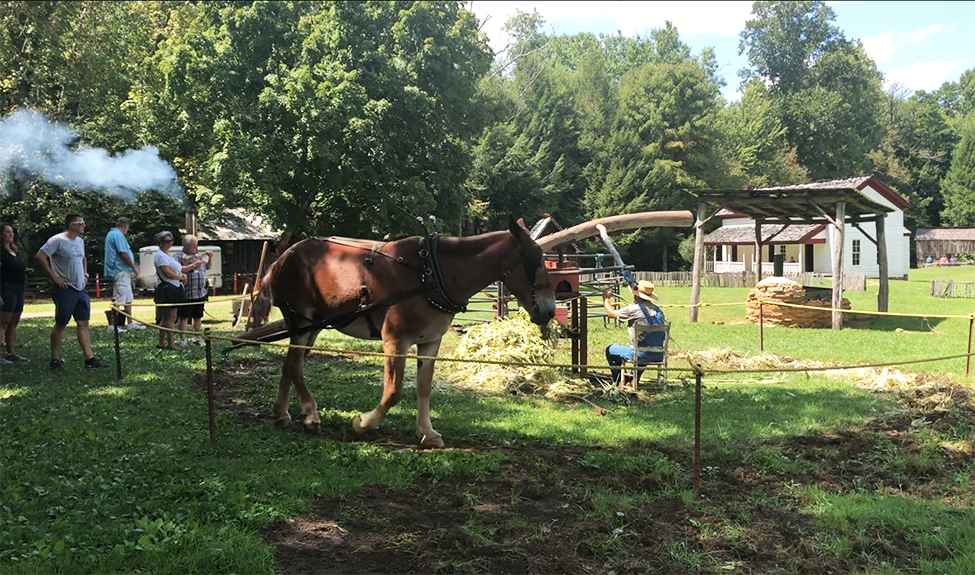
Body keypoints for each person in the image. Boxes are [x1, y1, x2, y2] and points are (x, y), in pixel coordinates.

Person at [35, 214, 104, 370]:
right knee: (61, 324)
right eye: (81, 223)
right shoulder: (57, 240)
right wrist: (55, 277)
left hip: (80, 288)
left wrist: (85, 274)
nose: (83, 226)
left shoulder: (80, 241)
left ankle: (89, 359)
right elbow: (40, 256)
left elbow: (83, 258)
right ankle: (55, 360)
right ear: (72, 225)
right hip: (65, 289)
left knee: (83, 323)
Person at [602, 280, 666, 386]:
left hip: (640, 354)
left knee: (610, 350)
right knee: (645, 351)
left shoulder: (634, 309)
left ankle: (618, 380)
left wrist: (606, 298)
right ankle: (632, 379)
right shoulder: (659, 311)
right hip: (658, 354)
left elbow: (611, 313)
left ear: (636, 295)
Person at [103, 217, 145, 333]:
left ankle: (130, 323)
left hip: (123, 271)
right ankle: (112, 326)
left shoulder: (114, 234)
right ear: (126, 226)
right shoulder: (117, 235)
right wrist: (134, 268)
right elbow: (124, 253)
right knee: (119, 298)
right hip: (119, 270)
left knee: (128, 298)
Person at [0, 222, 32, 364]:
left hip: (19, 288)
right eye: (7, 232)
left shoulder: (14, 250)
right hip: (6, 288)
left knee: (14, 321)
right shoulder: (1, 252)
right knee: (3, 322)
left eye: (12, 232)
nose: (11, 234)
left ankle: (10, 352)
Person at [174, 234, 211, 347]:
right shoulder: (178, 256)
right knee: (184, 317)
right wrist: (193, 265)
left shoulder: (198, 256)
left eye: (196, 245)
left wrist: (210, 258)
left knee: (198, 316)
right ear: (185, 245)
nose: (195, 248)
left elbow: (207, 267)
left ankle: (197, 337)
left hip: (199, 292)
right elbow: (177, 270)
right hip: (186, 292)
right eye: (192, 245)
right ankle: (183, 340)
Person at [153, 231, 187, 351]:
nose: (169, 243)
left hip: (174, 287)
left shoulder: (167, 255)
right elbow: (167, 273)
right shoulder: (159, 256)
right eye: (166, 241)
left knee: (166, 317)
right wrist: (181, 277)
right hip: (167, 288)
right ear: (159, 243)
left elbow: (176, 270)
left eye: (170, 241)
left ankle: (161, 343)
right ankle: (171, 343)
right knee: (171, 317)